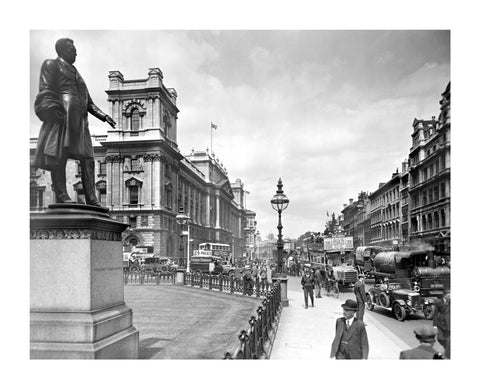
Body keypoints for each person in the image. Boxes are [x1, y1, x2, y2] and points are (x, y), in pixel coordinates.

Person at [33, 38, 116, 206]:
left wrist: (104, 116)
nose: (76, 52)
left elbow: (89, 102)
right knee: (60, 156)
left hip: (80, 120)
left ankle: (92, 199)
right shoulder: (52, 64)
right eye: (72, 50)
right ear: (62, 50)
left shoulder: (78, 74)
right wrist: (54, 110)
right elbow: (46, 90)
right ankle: (63, 196)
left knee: (88, 158)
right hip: (63, 115)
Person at [433, 289, 450, 359]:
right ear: (444, 295)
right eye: (448, 295)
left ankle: (448, 350)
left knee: (448, 337)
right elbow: (435, 314)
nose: (450, 297)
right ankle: (447, 347)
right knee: (439, 337)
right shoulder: (438, 302)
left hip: (450, 321)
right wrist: (434, 325)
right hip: (441, 321)